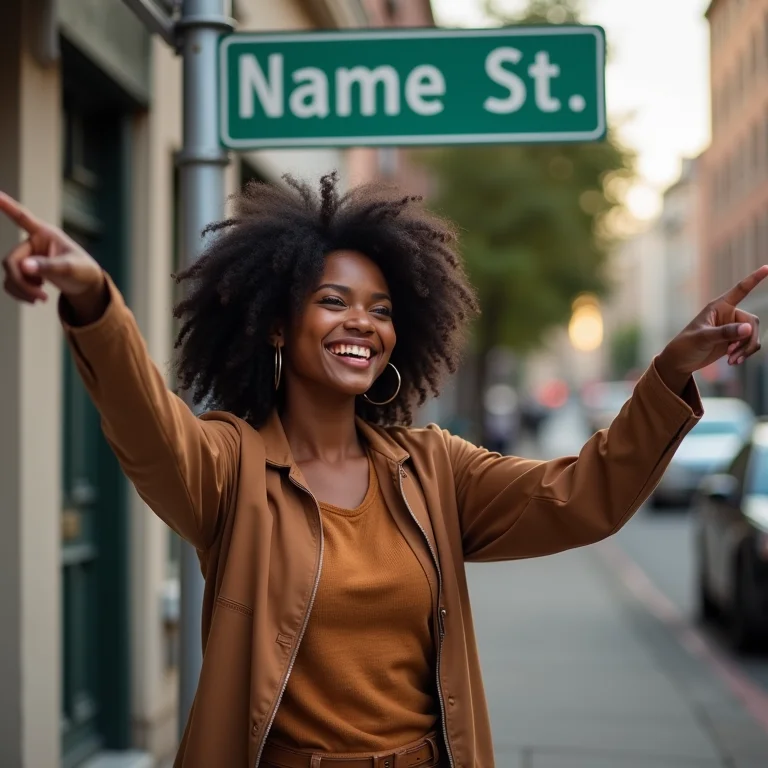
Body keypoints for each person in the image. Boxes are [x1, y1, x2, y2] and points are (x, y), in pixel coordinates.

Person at [0, 174, 764, 768]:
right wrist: (96, 301)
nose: (362, 322)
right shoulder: (229, 466)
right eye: (333, 301)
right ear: (276, 322)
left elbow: (583, 499)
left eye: (382, 308)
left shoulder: (434, 469)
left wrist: (669, 369)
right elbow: (146, 425)